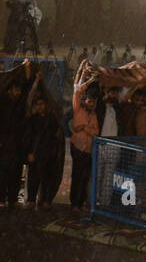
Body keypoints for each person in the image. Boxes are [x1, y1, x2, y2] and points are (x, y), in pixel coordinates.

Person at [23, 80, 65, 209]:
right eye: (38, 104)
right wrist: (30, 152)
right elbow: (30, 137)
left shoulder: (51, 119)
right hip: (35, 154)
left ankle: (46, 199)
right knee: (33, 178)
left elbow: (55, 136)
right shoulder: (33, 120)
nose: (40, 107)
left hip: (48, 154)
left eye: (42, 104)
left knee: (47, 178)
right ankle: (31, 199)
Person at [0, 72, 29, 208]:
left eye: (19, 90)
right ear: (9, 90)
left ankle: (13, 198)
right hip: (4, 141)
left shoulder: (20, 104)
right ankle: (0, 199)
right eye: (16, 89)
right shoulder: (1, 103)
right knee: (2, 171)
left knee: (15, 171)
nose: (18, 92)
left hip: (17, 143)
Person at [69, 67, 101, 211]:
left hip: (88, 149)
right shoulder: (78, 108)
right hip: (78, 147)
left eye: (93, 102)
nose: (91, 104)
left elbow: (96, 132)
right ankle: (74, 202)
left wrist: (84, 128)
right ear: (84, 100)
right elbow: (77, 91)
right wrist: (90, 79)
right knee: (77, 175)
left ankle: (80, 202)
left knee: (85, 176)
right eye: (89, 101)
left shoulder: (93, 115)